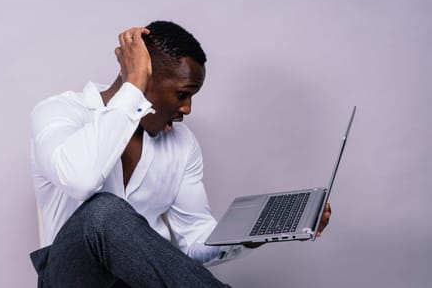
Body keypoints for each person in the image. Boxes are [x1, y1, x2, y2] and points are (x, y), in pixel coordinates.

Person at [29, 21, 331, 287]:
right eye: (182, 94)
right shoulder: (60, 113)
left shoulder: (182, 143)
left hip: (138, 281)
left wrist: (258, 232)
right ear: (147, 79)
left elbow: (191, 244)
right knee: (105, 210)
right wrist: (133, 85)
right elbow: (81, 180)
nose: (187, 109)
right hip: (70, 278)